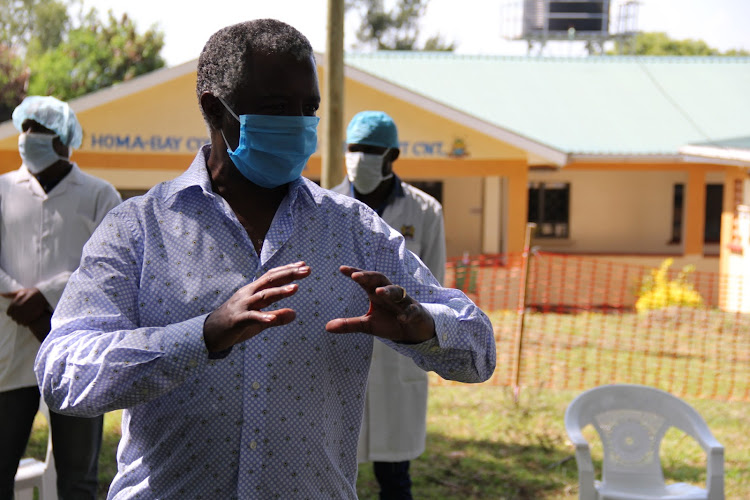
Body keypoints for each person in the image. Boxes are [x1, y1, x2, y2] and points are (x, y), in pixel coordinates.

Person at [35, 19, 496, 499]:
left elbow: (479, 349)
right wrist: (200, 336)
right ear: (216, 109)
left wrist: (424, 328)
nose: (300, 124)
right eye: (278, 108)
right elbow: (62, 372)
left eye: (309, 108)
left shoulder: (355, 230)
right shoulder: (138, 229)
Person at [0, 96, 122, 499]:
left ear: (65, 140)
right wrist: (21, 299)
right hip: (8, 349)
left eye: (40, 129)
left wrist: (46, 296)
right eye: (26, 127)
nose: (29, 136)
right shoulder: (2, 190)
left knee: (79, 479)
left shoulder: (99, 194)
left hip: (78, 349)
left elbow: (111, 265)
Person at [332, 111, 445, 499]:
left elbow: (436, 292)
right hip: (340, 355)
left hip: (398, 360)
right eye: (354, 149)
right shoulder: (326, 206)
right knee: (333, 473)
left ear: (392, 155)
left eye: (370, 150)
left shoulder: (425, 211)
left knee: (395, 479)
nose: (359, 157)